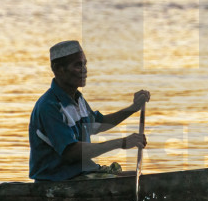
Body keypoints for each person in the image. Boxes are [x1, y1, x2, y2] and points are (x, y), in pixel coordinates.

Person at [29, 40, 149, 181]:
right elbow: (71, 152)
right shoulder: (49, 106)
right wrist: (121, 143)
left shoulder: (78, 99)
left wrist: (133, 108)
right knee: (136, 182)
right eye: (78, 65)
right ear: (58, 69)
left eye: (85, 64)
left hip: (83, 174)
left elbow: (99, 124)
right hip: (60, 179)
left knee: (138, 178)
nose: (84, 69)